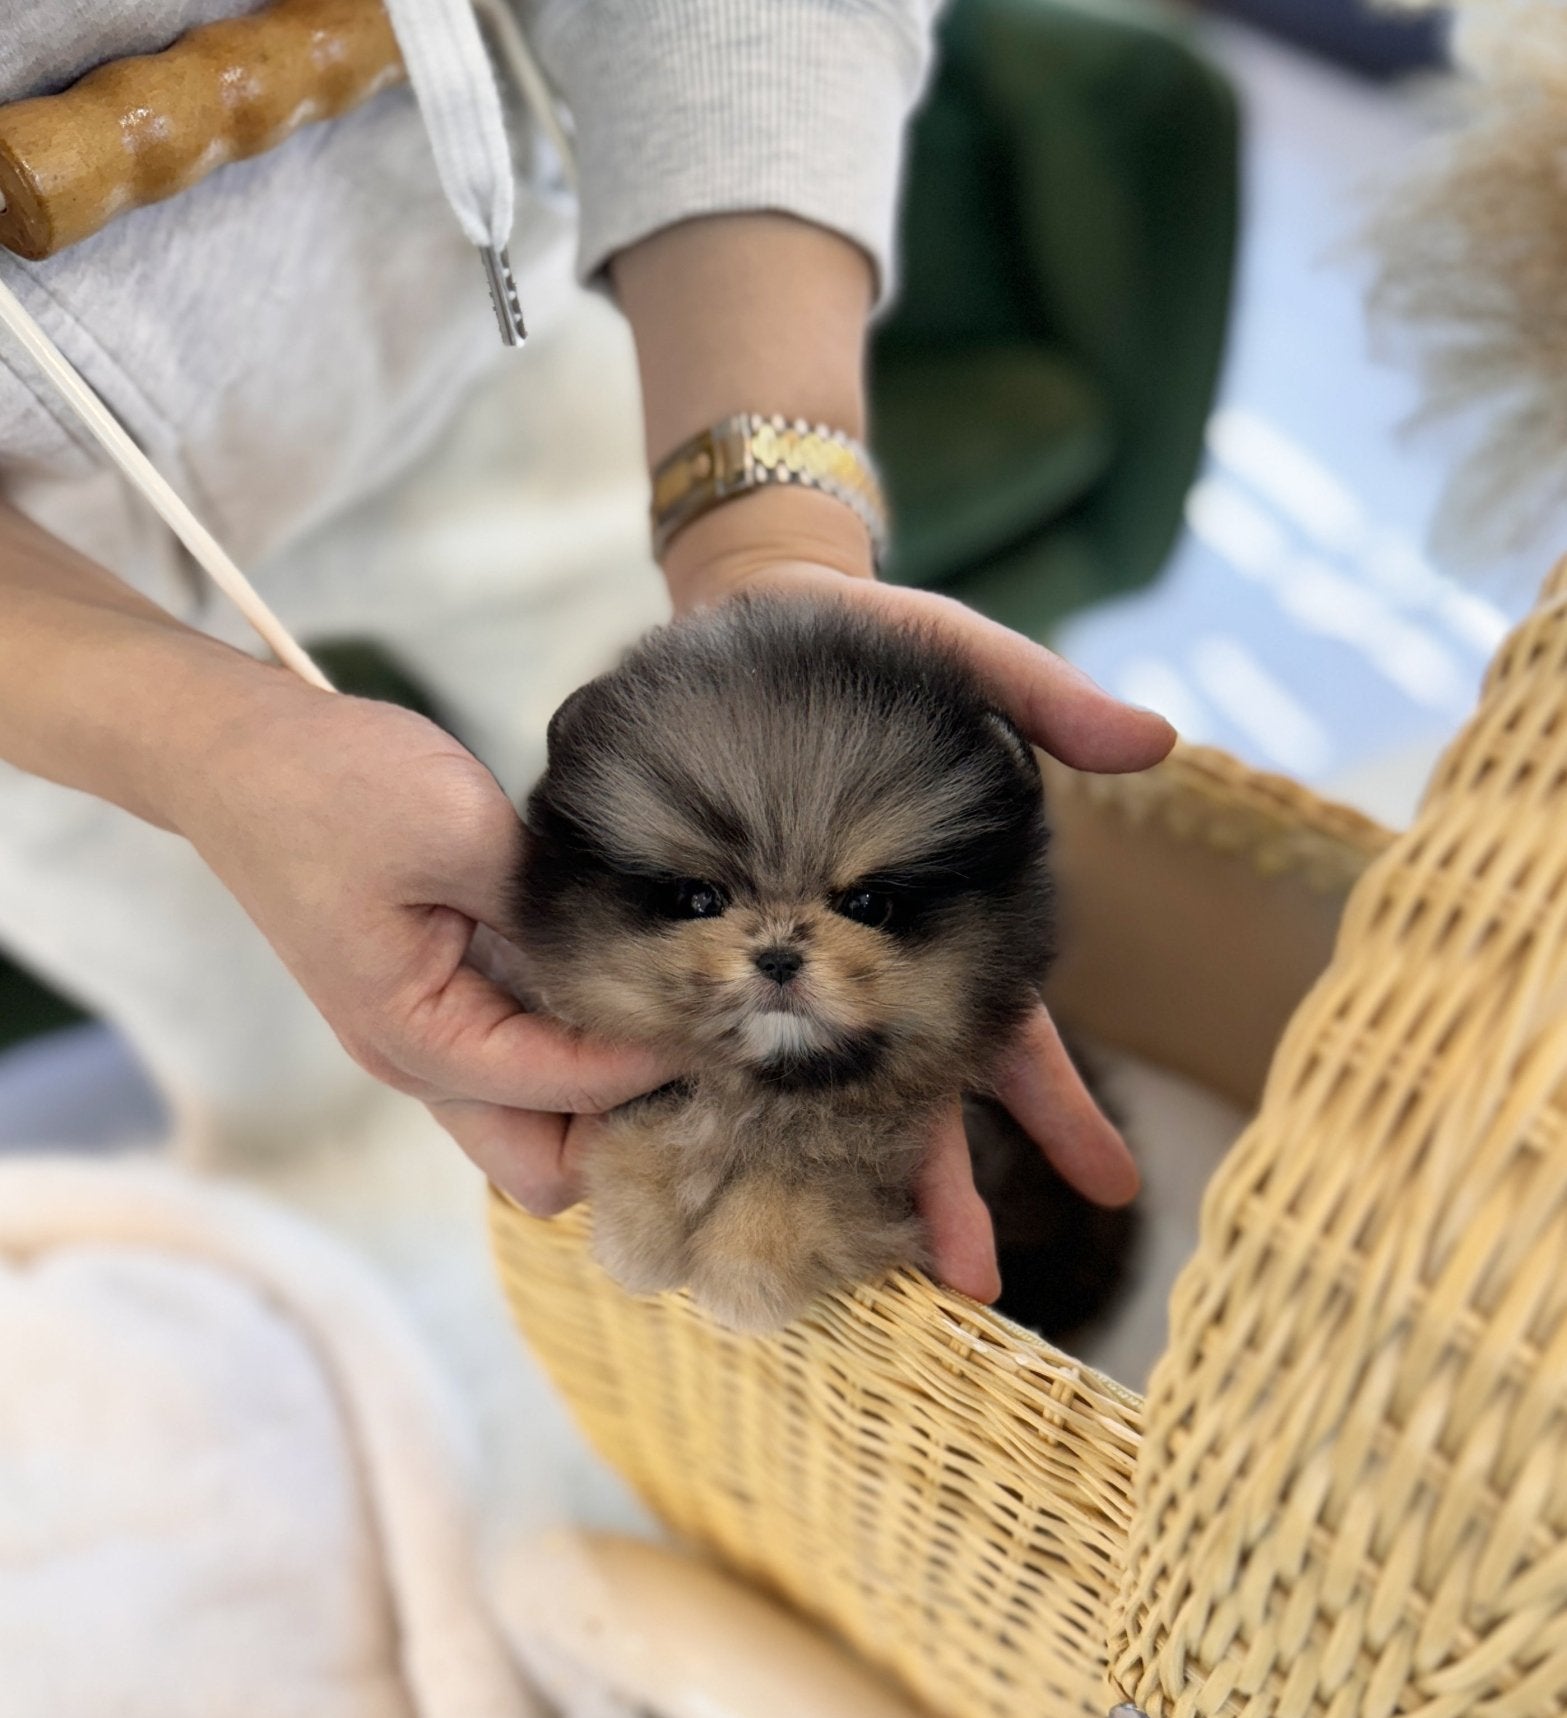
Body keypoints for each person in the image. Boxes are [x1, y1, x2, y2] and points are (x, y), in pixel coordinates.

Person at [0, 0, 1173, 1302]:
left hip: (469, 298)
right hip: (36, 640)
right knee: (261, 1055)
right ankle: (365, 1305)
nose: (778, 942)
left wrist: (764, 533)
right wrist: (193, 745)